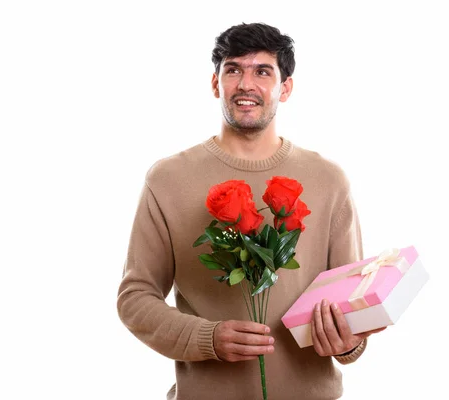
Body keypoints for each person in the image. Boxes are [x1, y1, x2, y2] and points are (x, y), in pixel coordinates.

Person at [117, 22, 384, 400]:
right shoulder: (168, 179)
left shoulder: (329, 180)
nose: (246, 84)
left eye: (263, 71)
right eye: (233, 70)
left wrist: (347, 343)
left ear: (285, 88)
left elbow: (348, 309)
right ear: (215, 84)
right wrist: (206, 338)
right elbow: (135, 295)